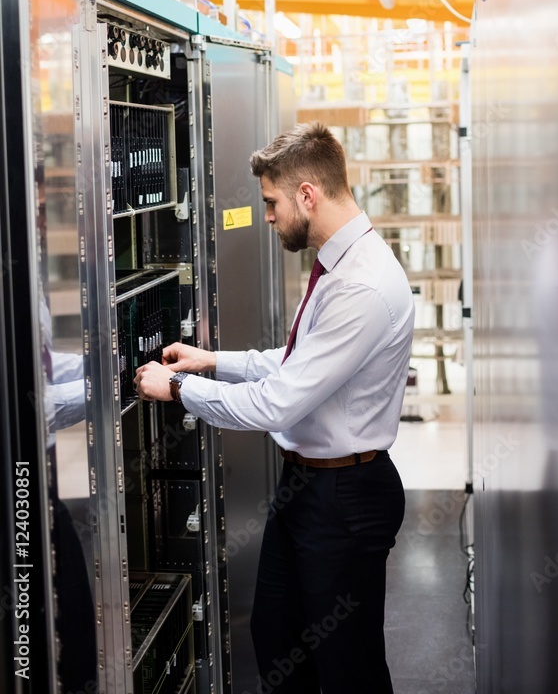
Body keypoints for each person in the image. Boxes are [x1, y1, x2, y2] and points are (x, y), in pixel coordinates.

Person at [135, 121, 415, 694]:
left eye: (270, 202)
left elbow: (278, 402)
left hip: (345, 499)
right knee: (278, 634)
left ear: (307, 195)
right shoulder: (338, 266)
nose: (265, 217)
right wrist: (212, 361)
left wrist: (179, 390)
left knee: (347, 665)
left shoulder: (361, 286)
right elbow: (293, 365)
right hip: (309, 488)